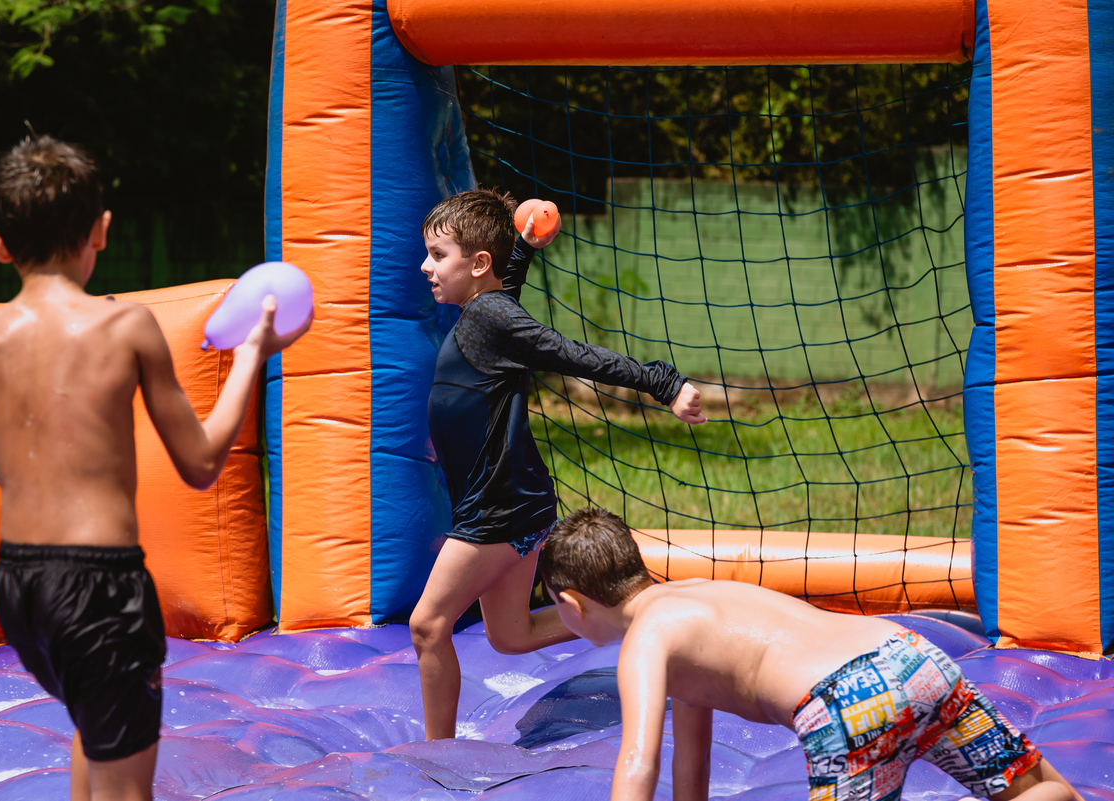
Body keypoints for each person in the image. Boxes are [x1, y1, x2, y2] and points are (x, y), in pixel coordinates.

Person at [0, 135, 311, 801]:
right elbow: (202, 461)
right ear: (100, 229)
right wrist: (252, 353)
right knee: (128, 787)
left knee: (91, 725)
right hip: (97, 584)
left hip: (17, 584)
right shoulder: (126, 326)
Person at [411, 188, 706, 740]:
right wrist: (520, 249)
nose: (426, 266)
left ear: (477, 265)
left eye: (437, 254)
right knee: (511, 637)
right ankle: (644, 607)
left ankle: (439, 755)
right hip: (516, 502)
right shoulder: (488, 309)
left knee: (428, 626)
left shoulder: (488, 317)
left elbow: (574, 353)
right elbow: (506, 293)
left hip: (497, 509)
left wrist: (664, 383)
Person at [538, 507, 1083, 801]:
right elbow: (692, 763)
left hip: (850, 703)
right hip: (913, 656)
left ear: (572, 603)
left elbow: (638, 764)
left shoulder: (644, 643)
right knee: (1040, 789)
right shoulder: (697, 595)